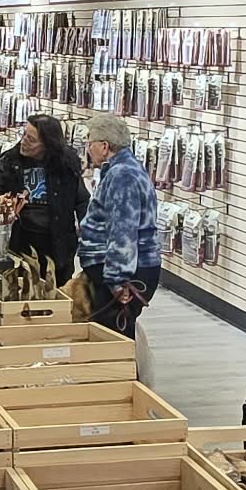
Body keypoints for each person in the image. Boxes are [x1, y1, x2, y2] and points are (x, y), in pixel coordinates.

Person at [76, 112, 159, 335]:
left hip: (126, 273)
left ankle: (124, 372)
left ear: (104, 146)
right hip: (123, 269)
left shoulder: (122, 175)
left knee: (114, 338)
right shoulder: (122, 170)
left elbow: (123, 230)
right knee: (111, 334)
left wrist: (117, 280)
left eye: (89, 142)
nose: (87, 148)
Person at [0, 113, 88, 282]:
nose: (24, 141)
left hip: (58, 244)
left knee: (57, 297)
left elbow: (82, 202)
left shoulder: (66, 165)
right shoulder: (10, 161)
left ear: (48, 144)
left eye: (31, 139)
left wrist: (88, 239)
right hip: (19, 242)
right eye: (24, 135)